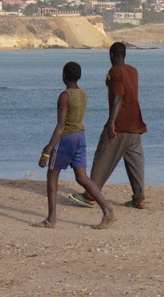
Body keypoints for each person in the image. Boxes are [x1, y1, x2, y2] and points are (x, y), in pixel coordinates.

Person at [32, 61, 117, 229]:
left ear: (64, 76)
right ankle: (107, 209)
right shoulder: (83, 94)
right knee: (82, 177)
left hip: (66, 139)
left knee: (52, 175)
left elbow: (61, 126)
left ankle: (51, 218)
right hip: (80, 137)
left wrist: (47, 150)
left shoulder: (65, 96)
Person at [68, 41, 148, 210]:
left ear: (111, 55)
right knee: (136, 163)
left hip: (119, 125)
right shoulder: (133, 71)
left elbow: (118, 96)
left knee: (103, 158)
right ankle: (139, 198)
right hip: (136, 124)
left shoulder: (114, 72)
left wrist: (112, 121)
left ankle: (90, 196)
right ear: (124, 55)